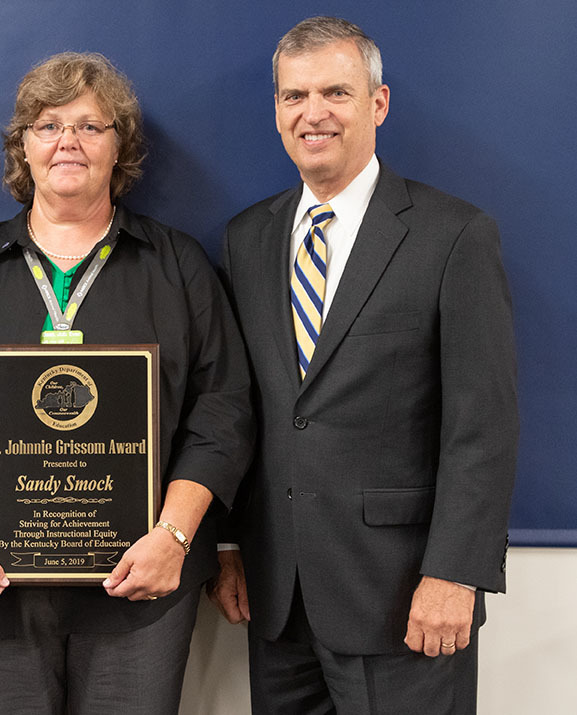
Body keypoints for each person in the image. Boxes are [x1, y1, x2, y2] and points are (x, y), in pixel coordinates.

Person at [0, 52, 253, 714]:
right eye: (47, 125)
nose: (67, 142)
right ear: (22, 146)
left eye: (90, 126)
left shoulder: (178, 266)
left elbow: (222, 412)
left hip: (139, 588)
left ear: (121, 146)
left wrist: (173, 537)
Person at [210, 16, 519, 714]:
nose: (311, 113)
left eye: (334, 93)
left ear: (376, 104)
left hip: (402, 596)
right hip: (275, 595)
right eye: (293, 96)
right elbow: (237, 406)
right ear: (277, 109)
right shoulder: (245, 237)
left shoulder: (454, 235)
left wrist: (454, 573)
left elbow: (483, 423)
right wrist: (227, 541)